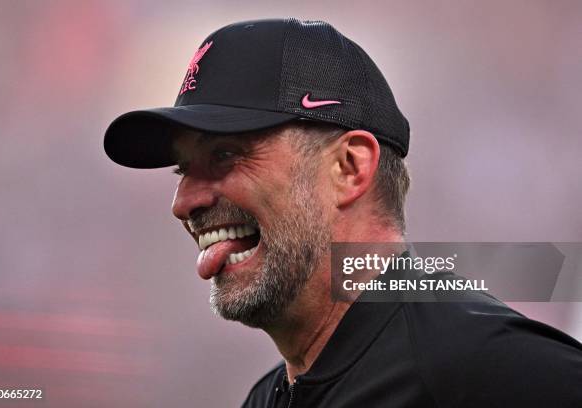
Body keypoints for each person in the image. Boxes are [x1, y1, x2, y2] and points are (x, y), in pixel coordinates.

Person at [104, 18, 582, 408]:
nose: (183, 202)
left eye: (226, 155)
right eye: (182, 171)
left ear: (349, 168)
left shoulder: (500, 376)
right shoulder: (266, 397)